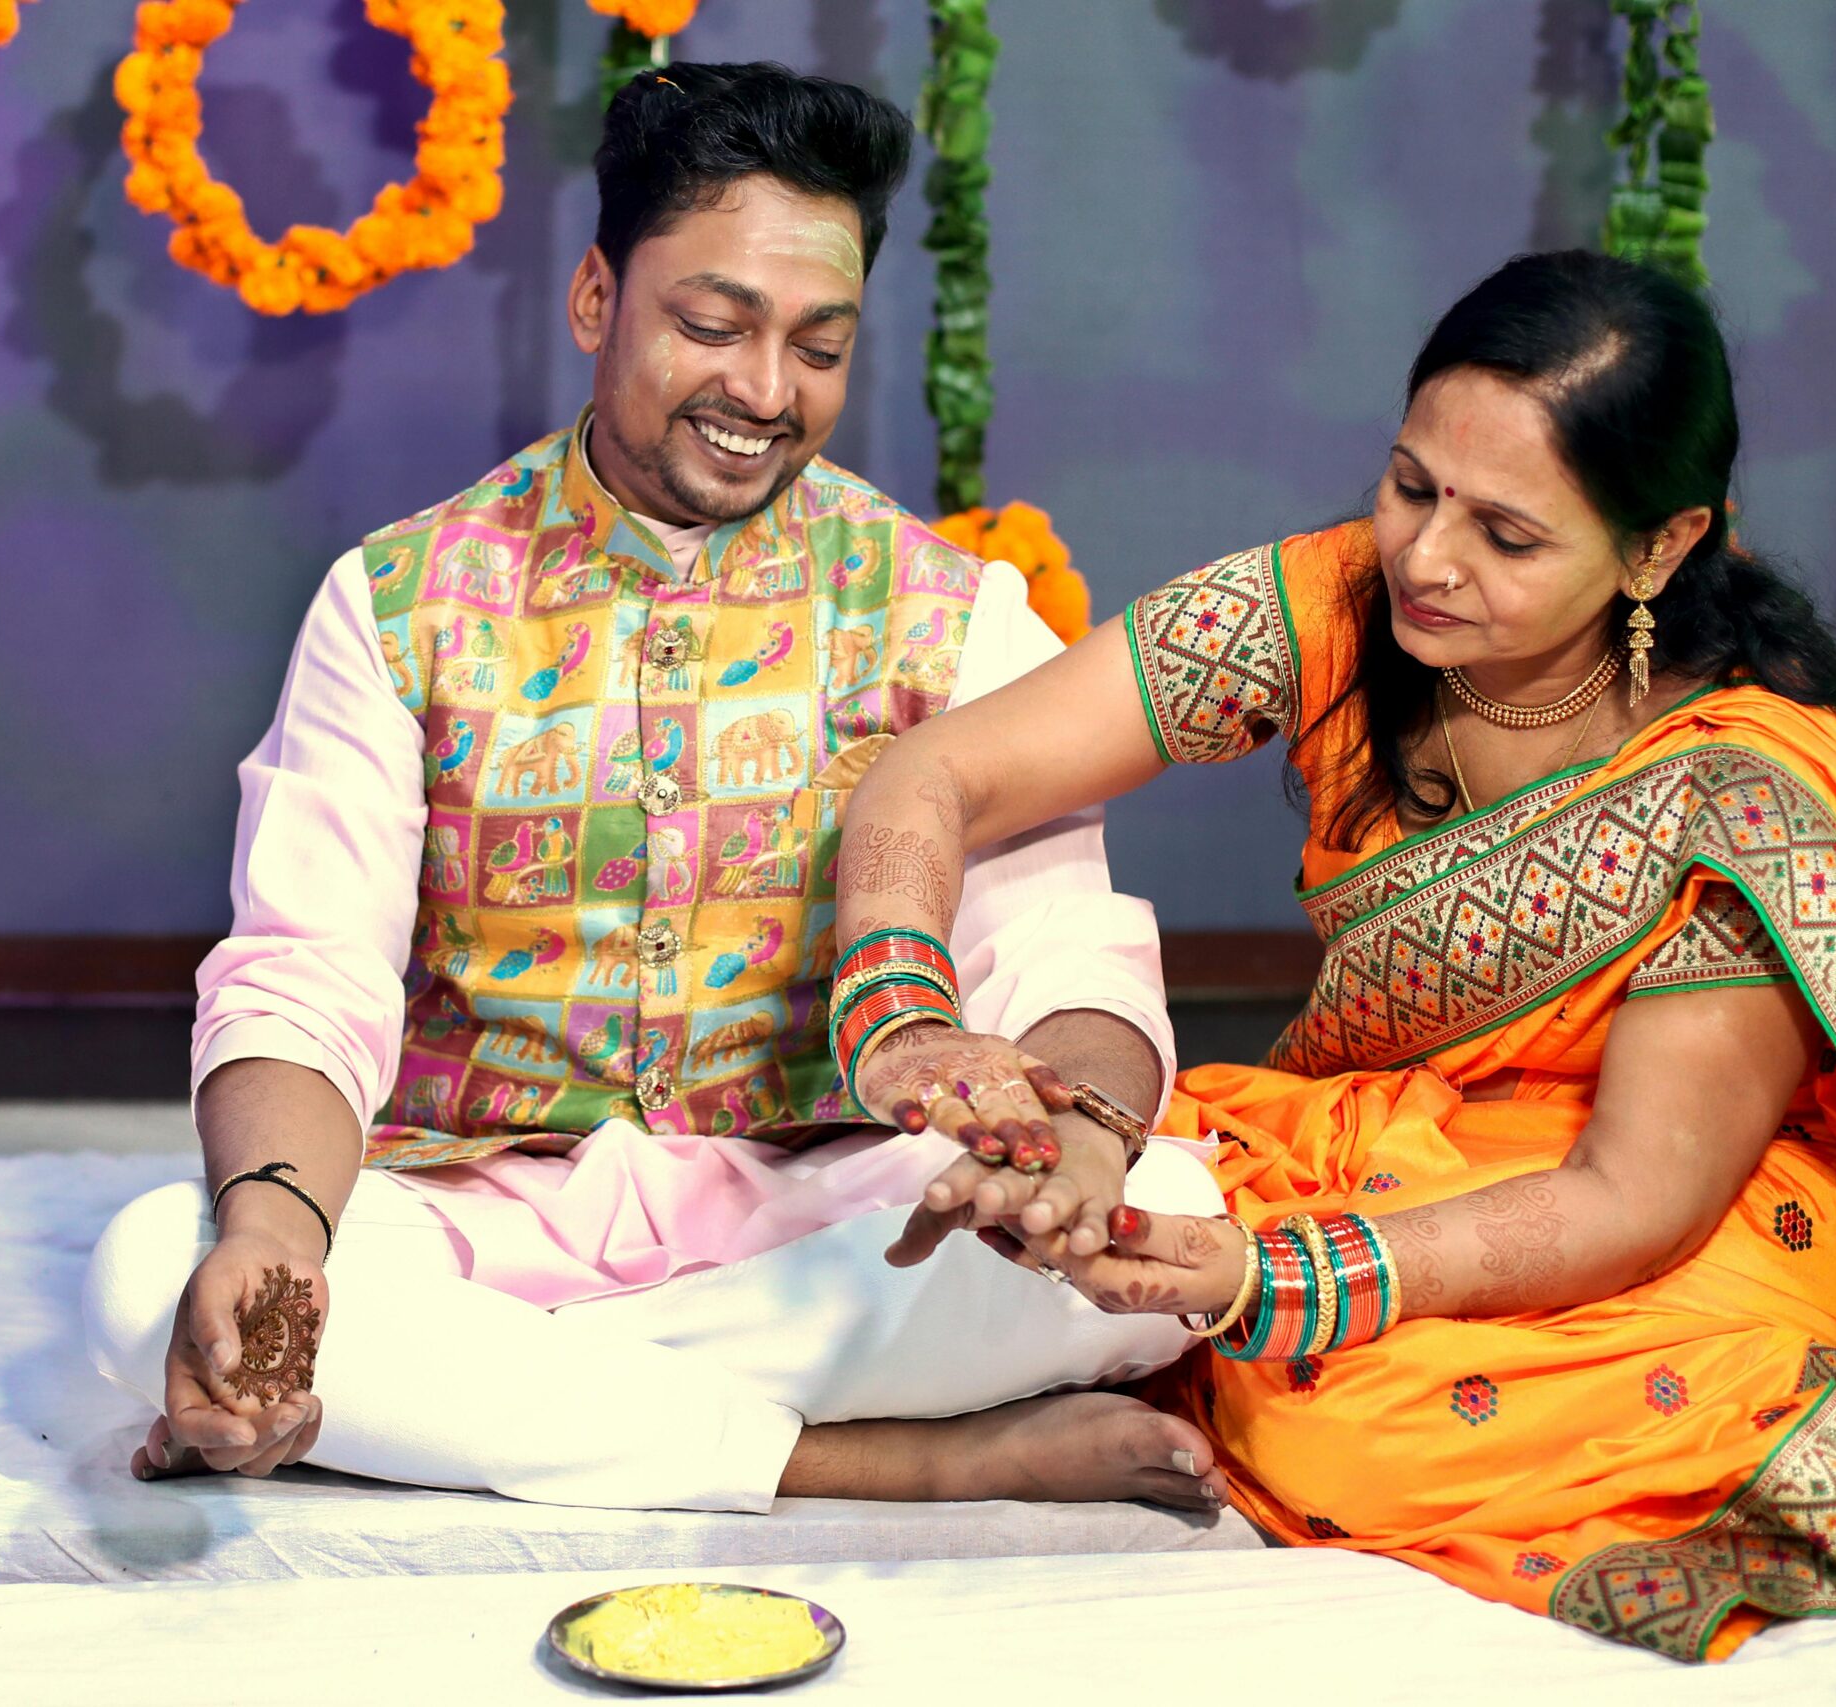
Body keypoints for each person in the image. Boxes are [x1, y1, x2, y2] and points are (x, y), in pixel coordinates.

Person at [830, 250, 1836, 1672]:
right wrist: (906, 1020)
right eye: (1411, 485)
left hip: (1701, 1207)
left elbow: (1632, 1195)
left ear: (1658, 549)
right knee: (1017, 1245)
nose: (1426, 557)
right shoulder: (1339, 601)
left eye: (1508, 535)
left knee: (1340, 1407)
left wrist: (1275, 1281)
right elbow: (939, 771)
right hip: (1399, 1150)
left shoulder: (1741, 799)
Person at [79, 62, 1229, 1517]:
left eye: (819, 344)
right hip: (488, 1211)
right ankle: (878, 1457)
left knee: (1172, 1216)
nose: (766, 392)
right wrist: (278, 1237)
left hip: (820, 1214)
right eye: (712, 325)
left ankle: (519, 1405)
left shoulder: (954, 615)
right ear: (595, 299)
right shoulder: (400, 602)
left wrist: (1077, 1150)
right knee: (152, 1270)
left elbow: (1062, 954)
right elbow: (307, 975)